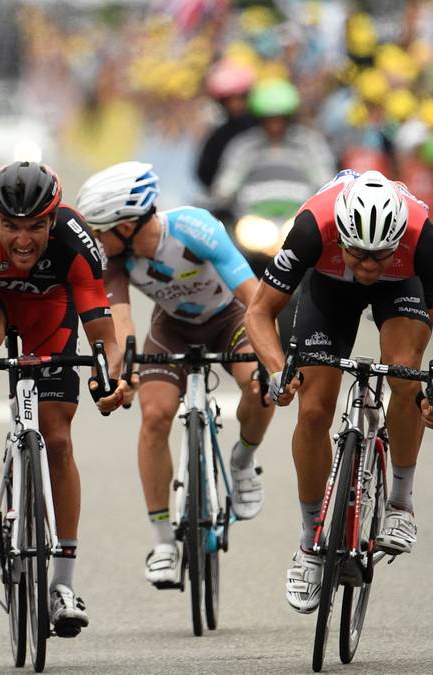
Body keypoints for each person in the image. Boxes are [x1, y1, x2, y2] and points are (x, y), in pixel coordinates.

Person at [243, 169, 433, 614]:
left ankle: (400, 502)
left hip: (401, 289)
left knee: (406, 376)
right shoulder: (311, 229)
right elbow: (259, 312)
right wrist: (276, 371)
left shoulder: (424, 239)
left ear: (398, 240)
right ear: (340, 235)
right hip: (329, 289)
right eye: (359, 253)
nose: (367, 266)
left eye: (380, 255)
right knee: (313, 410)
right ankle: (310, 544)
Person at [0, 161, 132, 637]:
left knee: (58, 441)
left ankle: (63, 585)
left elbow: (105, 339)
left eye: (36, 227)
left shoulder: (76, 239)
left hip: (51, 311)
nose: (23, 240)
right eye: (11, 227)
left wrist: (111, 381)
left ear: (53, 220)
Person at [75, 161, 275, 589]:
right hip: (172, 329)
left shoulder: (193, 228)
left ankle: (243, 459)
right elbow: (122, 326)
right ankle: (163, 542)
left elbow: (252, 296)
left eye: (99, 230)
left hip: (229, 318)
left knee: (259, 385)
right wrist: (122, 376)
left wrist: (273, 358)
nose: (95, 239)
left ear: (126, 225)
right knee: (154, 417)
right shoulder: (114, 258)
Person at [209, 78, 335, 214]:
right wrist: (220, 197)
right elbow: (227, 183)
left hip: (299, 217)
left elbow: (325, 181)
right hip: (252, 216)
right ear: (260, 119)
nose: (275, 125)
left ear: (289, 117)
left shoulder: (309, 143)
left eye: (280, 119)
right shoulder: (244, 146)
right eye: (269, 119)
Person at [196, 59, 257, 192]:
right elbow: (205, 173)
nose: (235, 105)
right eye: (230, 100)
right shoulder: (219, 136)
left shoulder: (261, 128)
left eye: (240, 98)